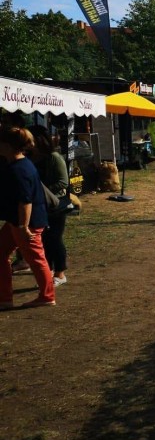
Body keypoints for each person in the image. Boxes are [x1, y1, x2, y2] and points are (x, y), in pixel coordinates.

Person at [0, 126, 55, 309]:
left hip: (26, 222)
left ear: (7, 145)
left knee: (36, 258)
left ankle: (47, 296)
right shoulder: (19, 165)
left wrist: (24, 227)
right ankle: (4, 298)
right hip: (16, 221)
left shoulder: (20, 169)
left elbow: (25, 201)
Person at [27, 125, 71, 287]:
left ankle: (60, 273)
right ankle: (49, 270)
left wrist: (42, 190)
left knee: (54, 239)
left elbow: (63, 182)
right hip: (37, 205)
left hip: (55, 205)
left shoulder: (54, 157)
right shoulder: (30, 157)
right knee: (43, 239)